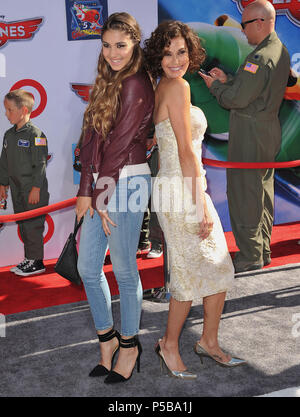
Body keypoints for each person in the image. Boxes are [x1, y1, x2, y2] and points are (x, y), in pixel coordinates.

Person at [143, 20, 245, 379]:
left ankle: (209, 342)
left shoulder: (163, 87)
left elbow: (164, 140)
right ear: (159, 56)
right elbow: (186, 152)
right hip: (182, 190)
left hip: (179, 186)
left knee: (217, 266)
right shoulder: (177, 86)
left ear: (191, 52)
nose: (175, 59)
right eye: (168, 53)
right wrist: (199, 201)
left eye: (181, 52)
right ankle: (169, 345)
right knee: (188, 274)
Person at [76, 12, 154, 384]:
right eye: (106, 45)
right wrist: (84, 191)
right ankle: (106, 341)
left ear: (134, 43)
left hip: (129, 182)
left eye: (120, 45)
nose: (112, 52)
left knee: (124, 268)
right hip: (105, 186)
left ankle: (130, 345)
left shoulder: (137, 82)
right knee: (87, 268)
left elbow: (121, 144)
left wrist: (100, 195)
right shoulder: (108, 78)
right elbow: (91, 139)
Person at [199, 0, 290, 273]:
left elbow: (237, 99)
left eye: (245, 25)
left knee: (244, 194)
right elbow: (253, 91)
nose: (243, 31)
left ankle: (250, 254)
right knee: (261, 192)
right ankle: (261, 249)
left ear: (260, 23)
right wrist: (228, 79)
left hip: (250, 133)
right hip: (265, 129)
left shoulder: (260, 58)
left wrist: (216, 87)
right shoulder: (277, 50)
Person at [0, 89, 49, 276]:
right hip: (16, 188)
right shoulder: (8, 135)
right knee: (23, 223)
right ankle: (29, 258)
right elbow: (3, 161)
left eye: (9, 110)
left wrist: (36, 187)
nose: (6, 114)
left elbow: (41, 164)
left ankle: (37, 261)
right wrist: (2, 184)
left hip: (32, 189)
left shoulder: (36, 135)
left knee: (33, 224)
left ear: (24, 110)